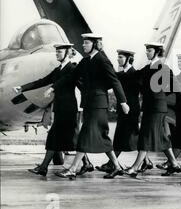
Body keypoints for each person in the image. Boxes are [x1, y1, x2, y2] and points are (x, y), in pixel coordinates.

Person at [52, 33, 130, 179]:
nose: (83, 45)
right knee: (102, 136)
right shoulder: (86, 61)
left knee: (85, 135)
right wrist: (54, 87)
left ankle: (73, 168)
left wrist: (123, 101)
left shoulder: (102, 60)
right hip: (89, 104)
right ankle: (117, 166)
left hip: (98, 105)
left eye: (86, 43)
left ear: (95, 44)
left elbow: (114, 81)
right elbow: (71, 76)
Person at [13, 43, 91, 176]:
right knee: (62, 138)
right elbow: (43, 81)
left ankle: (45, 167)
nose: (57, 54)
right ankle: (86, 163)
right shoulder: (58, 69)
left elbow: (79, 85)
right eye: (56, 52)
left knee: (65, 138)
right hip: (60, 107)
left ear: (67, 53)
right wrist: (23, 88)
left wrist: (90, 101)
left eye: (59, 52)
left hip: (68, 108)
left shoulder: (72, 68)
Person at [123, 42, 181, 177]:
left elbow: (176, 85)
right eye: (147, 50)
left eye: (149, 50)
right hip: (150, 107)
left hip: (156, 108)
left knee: (146, 137)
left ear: (156, 52)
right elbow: (133, 77)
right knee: (161, 137)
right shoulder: (147, 68)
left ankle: (135, 167)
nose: (147, 53)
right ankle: (174, 164)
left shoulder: (163, 68)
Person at [96, 49, 153, 173]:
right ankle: (146, 161)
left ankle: (112, 163)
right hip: (124, 110)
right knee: (127, 136)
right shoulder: (122, 75)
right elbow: (111, 73)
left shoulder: (135, 74)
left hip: (132, 110)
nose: (118, 59)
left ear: (129, 59)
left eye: (121, 57)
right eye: (118, 57)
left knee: (128, 136)